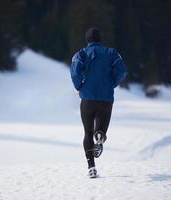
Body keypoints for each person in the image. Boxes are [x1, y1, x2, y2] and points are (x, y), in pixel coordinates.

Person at [70, 27, 128, 178]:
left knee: (87, 132)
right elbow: (122, 71)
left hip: (87, 99)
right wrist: (112, 84)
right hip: (106, 98)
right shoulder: (112, 53)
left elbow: (75, 71)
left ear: (87, 40)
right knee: (100, 128)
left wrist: (79, 86)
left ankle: (91, 167)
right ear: (100, 39)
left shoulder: (81, 53)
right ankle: (100, 133)